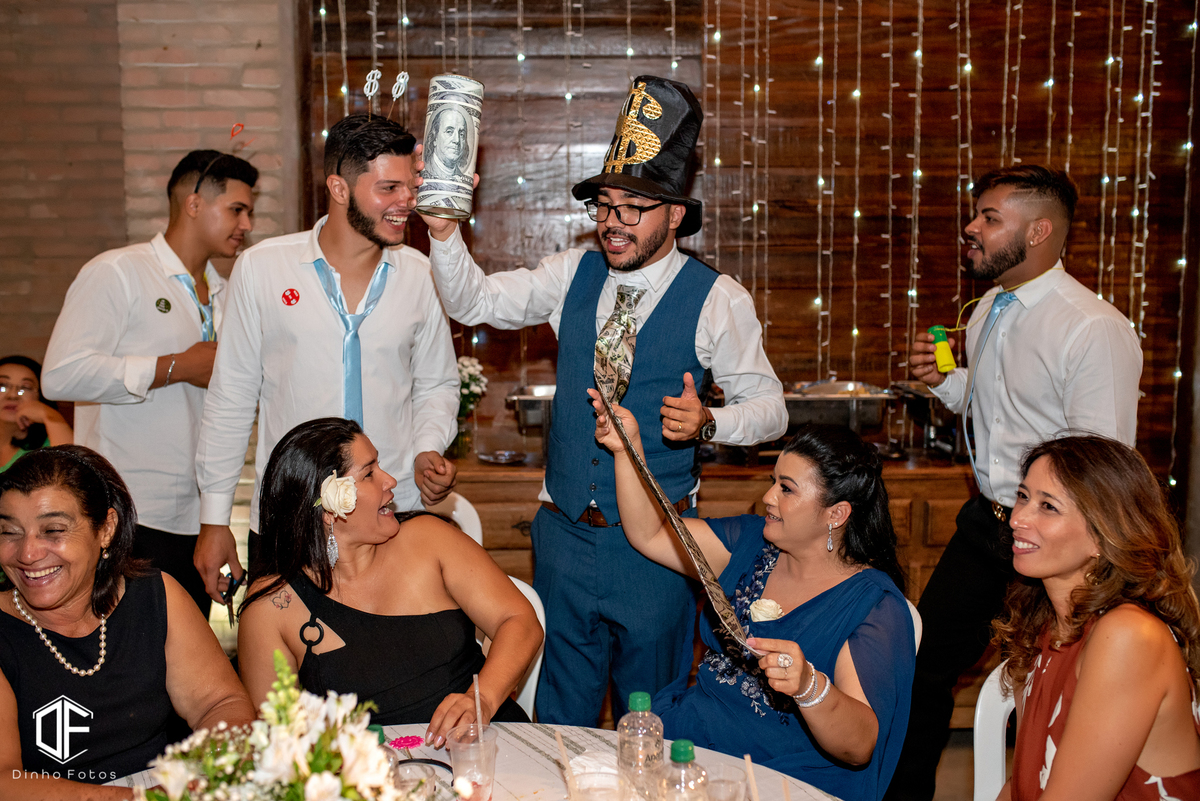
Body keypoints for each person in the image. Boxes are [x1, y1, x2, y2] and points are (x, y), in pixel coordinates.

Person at [418, 75, 788, 725]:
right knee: (562, 718)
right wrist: (445, 233)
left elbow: (771, 408)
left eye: (633, 207)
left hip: (656, 549)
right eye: (605, 205)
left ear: (676, 214)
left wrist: (709, 421)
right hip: (563, 535)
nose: (613, 222)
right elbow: (474, 302)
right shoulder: (572, 272)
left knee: (651, 716)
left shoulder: (718, 298)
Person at [886, 165, 1144, 801]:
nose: (971, 228)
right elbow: (994, 409)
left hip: (1063, 536)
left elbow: (1104, 466)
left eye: (990, 218)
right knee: (920, 665)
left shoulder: (1092, 327)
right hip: (988, 524)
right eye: (976, 215)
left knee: (1064, 679)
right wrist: (946, 383)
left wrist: (1068, 545)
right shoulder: (986, 311)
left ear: (1040, 231)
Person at [194, 114, 461, 603]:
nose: (407, 201)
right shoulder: (262, 268)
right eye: (389, 188)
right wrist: (214, 520)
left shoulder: (420, 274)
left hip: (392, 511)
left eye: (411, 186)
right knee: (285, 650)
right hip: (291, 516)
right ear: (339, 188)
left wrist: (428, 446)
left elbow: (438, 384)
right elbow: (231, 396)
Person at [593, 395, 914, 799]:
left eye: (787, 489)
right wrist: (627, 450)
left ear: (836, 514)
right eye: (773, 481)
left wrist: (809, 686)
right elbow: (650, 534)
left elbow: (860, 745)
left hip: (778, 774)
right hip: (691, 741)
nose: (769, 497)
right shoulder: (750, 543)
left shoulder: (873, 605)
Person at [41, 150, 258, 615]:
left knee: (184, 648)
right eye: (237, 209)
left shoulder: (226, 292)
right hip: (124, 511)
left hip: (198, 516)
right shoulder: (119, 272)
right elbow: (61, 374)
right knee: (121, 645)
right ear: (194, 203)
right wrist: (175, 366)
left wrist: (217, 518)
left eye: (250, 212)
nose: (247, 224)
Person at [236, 417, 542, 745]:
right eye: (369, 473)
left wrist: (481, 699)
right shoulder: (273, 607)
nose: (391, 481)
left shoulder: (429, 539)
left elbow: (519, 620)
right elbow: (274, 739)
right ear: (328, 507)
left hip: (484, 746)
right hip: (371, 767)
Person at [0, 446, 255, 798]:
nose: (28, 553)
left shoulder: (155, 595)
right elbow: (5, 780)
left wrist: (200, 775)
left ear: (106, 529)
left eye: (53, 530)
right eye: (9, 532)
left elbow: (221, 704)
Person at [993, 435, 1200, 800]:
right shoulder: (1045, 625)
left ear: (1104, 537)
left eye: (1048, 506)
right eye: (1023, 496)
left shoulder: (1128, 636)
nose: (1017, 518)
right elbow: (1024, 785)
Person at [0, 356, 73, 473]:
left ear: (40, 396)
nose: (12, 395)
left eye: (25, 388)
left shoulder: (50, 446)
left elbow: (72, 472)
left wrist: (49, 416)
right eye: (2, 386)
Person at [421, 106, 471, 180]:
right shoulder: (426, 169)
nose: (457, 140)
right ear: (435, 137)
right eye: (449, 132)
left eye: (461, 134)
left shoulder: (462, 177)